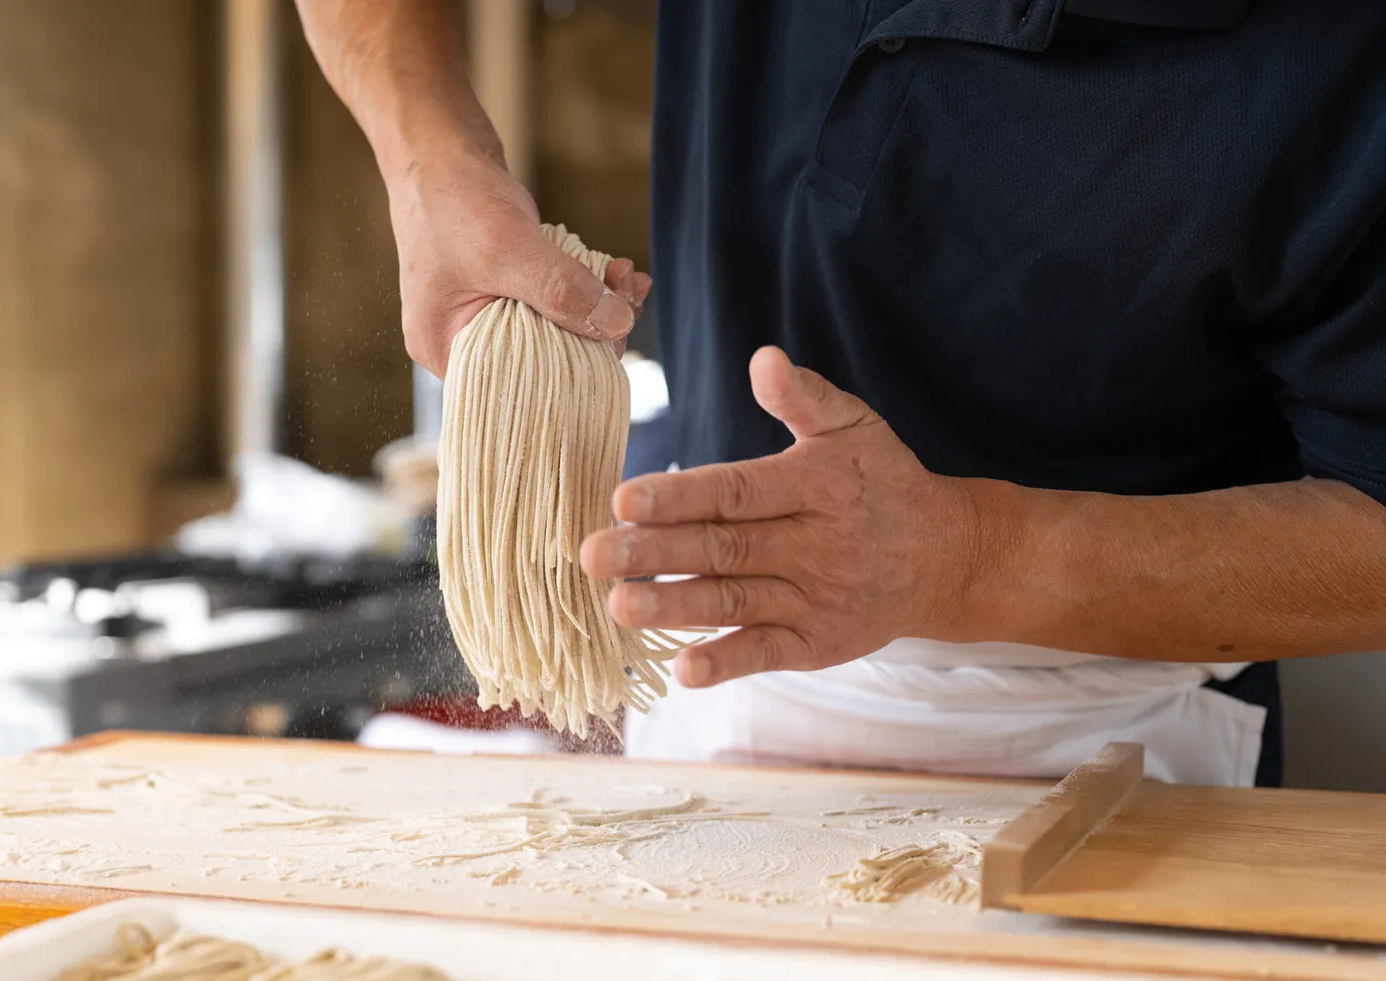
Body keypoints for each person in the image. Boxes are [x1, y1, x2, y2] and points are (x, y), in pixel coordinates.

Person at [296, 1, 1386, 787]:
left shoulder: (1339, 59)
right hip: (709, 722)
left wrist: (968, 553)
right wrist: (430, 159)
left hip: (1107, 757)